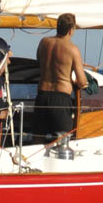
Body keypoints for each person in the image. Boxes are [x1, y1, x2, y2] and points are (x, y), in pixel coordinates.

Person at [33, 12, 87, 141]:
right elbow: (82, 81)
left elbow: (39, 63)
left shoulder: (43, 42)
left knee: (38, 139)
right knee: (62, 141)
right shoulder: (72, 49)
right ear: (70, 30)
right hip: (60, 98)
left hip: (42, 95)